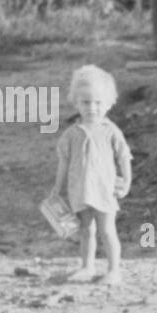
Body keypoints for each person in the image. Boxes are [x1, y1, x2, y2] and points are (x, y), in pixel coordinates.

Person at [50, 65, 132, 285]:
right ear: (76, 102)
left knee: (107, 230)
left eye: (98, 103)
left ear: (108, 103)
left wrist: (126, 182)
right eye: (86, 102)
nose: (92, 108)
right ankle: (87, 267)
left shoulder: (110, 131)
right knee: (86, 229)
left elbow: (124, 157)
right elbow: (64, 162)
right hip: (80, 189)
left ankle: (114, 270)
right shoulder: (71, 135)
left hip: (104, 190)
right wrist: (57, 189)